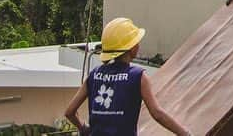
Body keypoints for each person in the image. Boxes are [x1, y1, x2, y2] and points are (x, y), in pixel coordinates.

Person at [64, 17, 192, 135]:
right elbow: (157, 114)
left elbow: (69, 112)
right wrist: (185, 133)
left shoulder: (94, 75)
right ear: (131, 48)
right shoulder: (137, 76)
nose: (138, 44)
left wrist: (83, 128)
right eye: (136, 42)